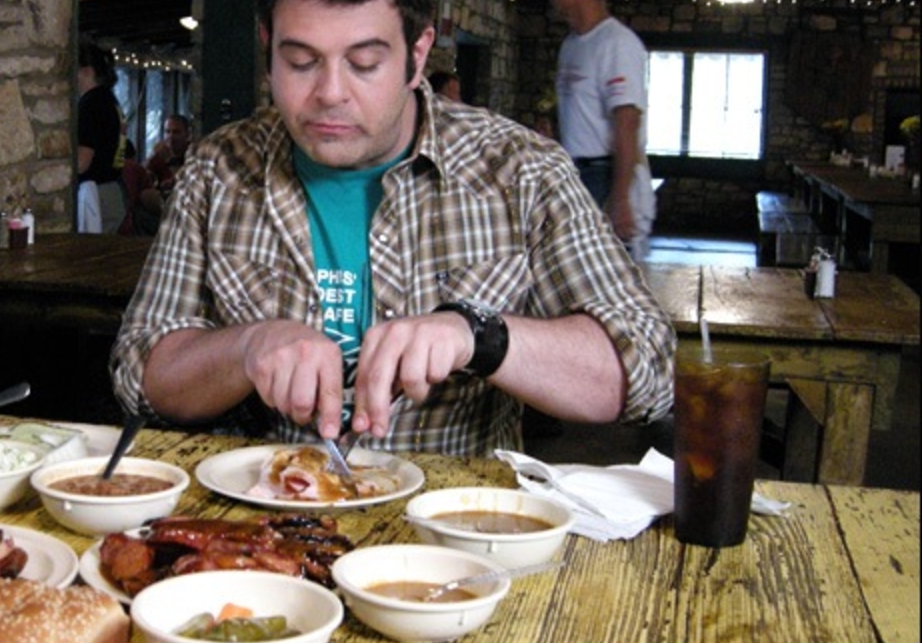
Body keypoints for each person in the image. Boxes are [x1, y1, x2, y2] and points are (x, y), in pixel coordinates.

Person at [110, 0, 675, 457]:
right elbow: (140, 374)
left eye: (364, 63)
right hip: (259, 531)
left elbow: (648, 372)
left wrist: (480, 336)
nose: (330, 92)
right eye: (301, 62)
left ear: (417, 54)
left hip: (453, 538)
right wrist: (246, 347)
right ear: (268, 48)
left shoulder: (521, 170)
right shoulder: (218, 170)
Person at [552, 0, 656, 261]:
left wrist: (620, 198)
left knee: (606, 272)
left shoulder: (616, 43)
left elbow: (627, 121)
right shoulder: (571, 45)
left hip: (605, 175)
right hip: (575, 174)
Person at [76, 42, 126, 234]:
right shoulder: (109, 99)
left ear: (87, 71)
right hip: (111, 189)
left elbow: (82, 162)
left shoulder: (91, 104)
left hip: (96, 195)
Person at [134, 114, 193, 234]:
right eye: (168, 132)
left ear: (187, 134)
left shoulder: (194, 154)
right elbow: (141, 178)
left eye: (176, 132)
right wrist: (152, 157)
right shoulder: (159, 156)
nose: (171, 137)